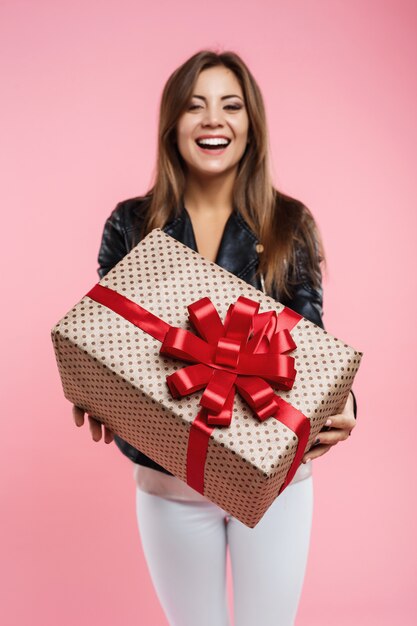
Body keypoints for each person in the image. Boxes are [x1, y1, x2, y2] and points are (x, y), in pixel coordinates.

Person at [72, 50, 357, 626]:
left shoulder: (289, 223)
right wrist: (90, 387)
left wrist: (345, 401)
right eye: (195, 106)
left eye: (231, 105)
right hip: (167, 483)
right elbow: (106, 338)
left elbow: (311, 336)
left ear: (251, 125)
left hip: (274, 484)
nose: (213, 120)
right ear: (171, 123)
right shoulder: (130, 224)